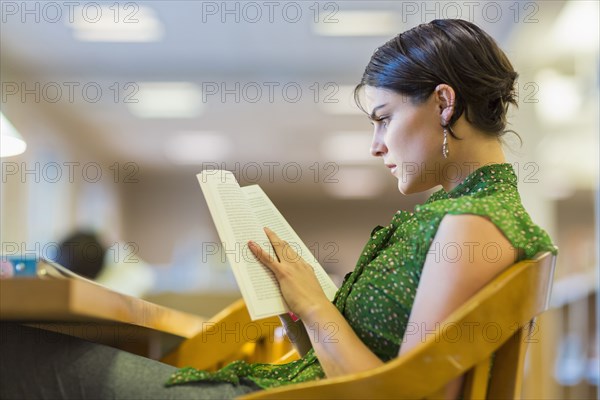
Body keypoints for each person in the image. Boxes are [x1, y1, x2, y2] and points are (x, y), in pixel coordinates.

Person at [0, 19, 557, 400]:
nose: (376, 144)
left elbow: (404, 394)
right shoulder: (473, 216)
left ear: (443, 102)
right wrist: (297, 309)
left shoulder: (471, 225)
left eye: (384, 117)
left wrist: (318, 307)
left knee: (16, 350)